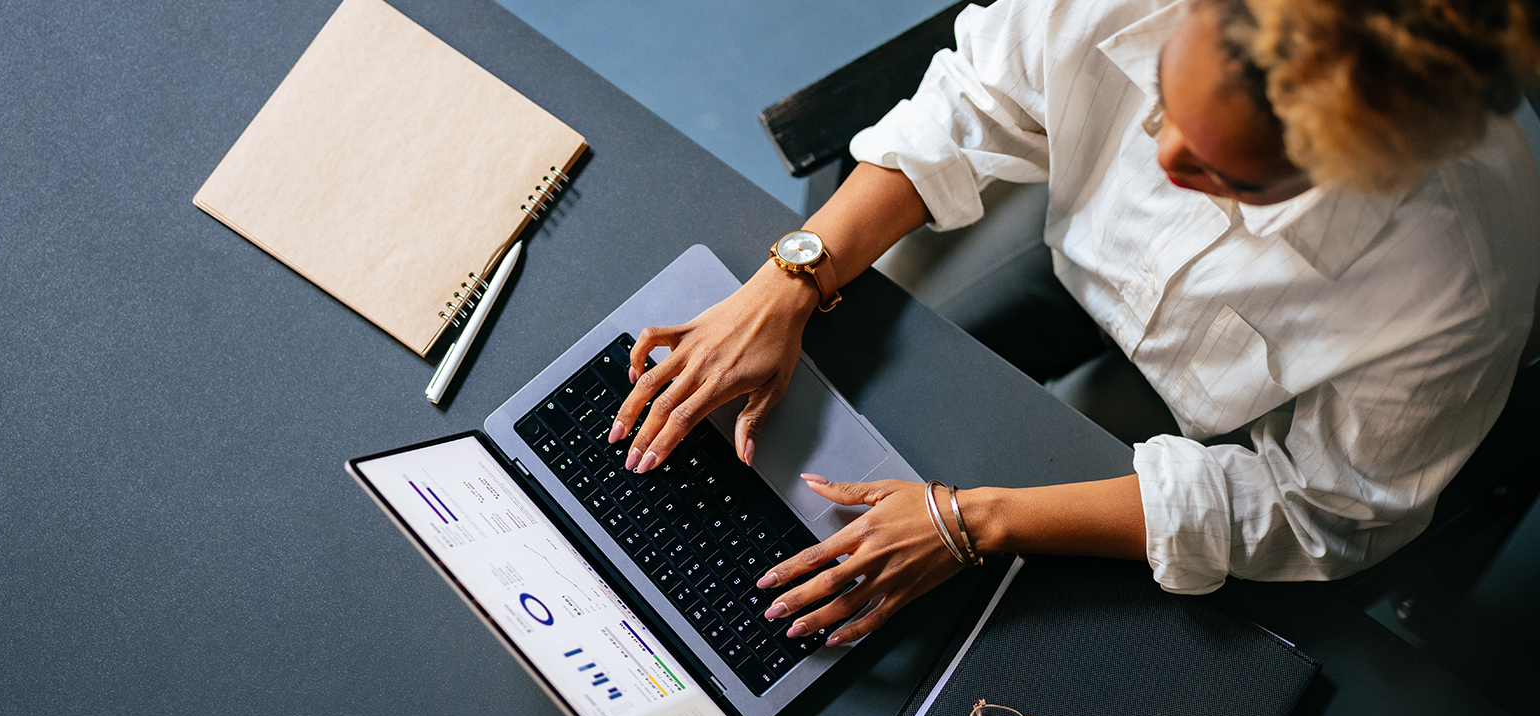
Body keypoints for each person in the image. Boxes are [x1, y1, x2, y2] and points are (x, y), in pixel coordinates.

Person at [606, 0, 1540, 648]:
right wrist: (791, 280)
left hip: (1225, 412)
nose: (1164, 158)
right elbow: (980, 99)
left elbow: (1319, 508)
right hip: (1068, 241)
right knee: (861, 398)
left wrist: (979, 521)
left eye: (1231, 177)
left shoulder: (1460, 282)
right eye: (1164, 98)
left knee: (982, 596)